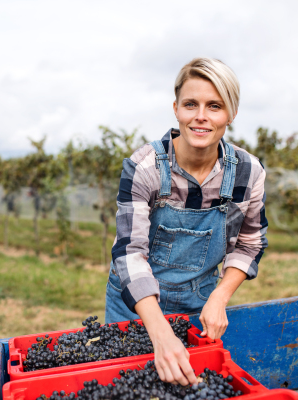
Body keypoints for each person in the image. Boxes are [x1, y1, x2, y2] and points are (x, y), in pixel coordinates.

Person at [105, 57, 268, 386]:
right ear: (176, 108)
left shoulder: (248, 171)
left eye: (215, 106)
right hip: (135, 308)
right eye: (191, 104)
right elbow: (129, 253)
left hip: (199, 306)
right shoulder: (145, 166)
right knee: (130, 388)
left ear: (231, 114)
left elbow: (249, 244)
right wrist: (161, 334)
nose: (201, 116)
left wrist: (219, 297)